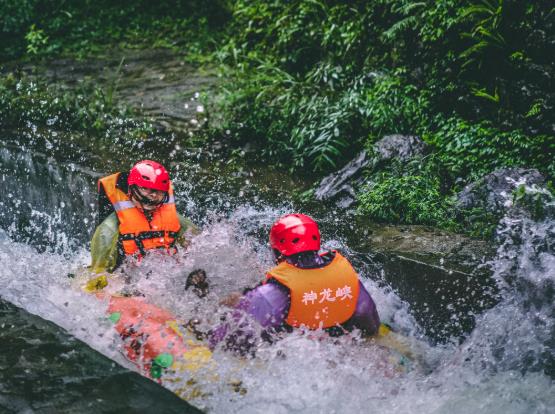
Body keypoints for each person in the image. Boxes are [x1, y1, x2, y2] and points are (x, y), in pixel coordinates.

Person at [210, 213, 380, 354]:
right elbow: (368, 319)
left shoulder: (271, 293)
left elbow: (233, 339)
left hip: (295, 356)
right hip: (341, 349)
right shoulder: (347, 279)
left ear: (277, 252)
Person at [88, 160, 198, 277]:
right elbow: (98, 273)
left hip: (164, 276)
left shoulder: (175, 219)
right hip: (123, 275)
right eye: (146, 189)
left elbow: (198, 243)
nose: (154, 196)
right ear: (131, 189)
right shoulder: (109, 228)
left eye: (159, 191)